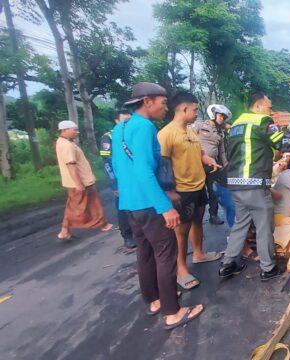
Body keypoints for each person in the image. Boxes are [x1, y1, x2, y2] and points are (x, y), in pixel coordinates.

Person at [112, 82, 203, 330]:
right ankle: (172, 312)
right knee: (166, 255)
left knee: (145, 253)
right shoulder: (144, 127)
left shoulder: (121, 127)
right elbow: (144, 169)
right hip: (149, 204)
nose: (166, 107)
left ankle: (153, 300)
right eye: (163, 103)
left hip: (130, 204)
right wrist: (165, 206)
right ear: (148, 101)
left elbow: (120, 167)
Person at [158, 92, 221, 290]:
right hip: (181, 190)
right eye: (194, 109)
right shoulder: (166, 134)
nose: (196, 113)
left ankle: (199, 253)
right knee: (181, 231)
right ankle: (181, 269)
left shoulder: (190, 131)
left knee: (197, 221)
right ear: (184, 109)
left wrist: (208, 159)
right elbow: (162, 165)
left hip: (198, 185)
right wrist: (169, 191)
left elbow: (199, 152)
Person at [219, 93, 285, 281]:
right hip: (255, 184)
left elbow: (254, 149)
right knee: (264, 226)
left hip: (235, 184)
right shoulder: (263, 120)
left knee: (241, 224)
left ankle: (228, 264)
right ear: (257, 106)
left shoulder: (237, 124)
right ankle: (268, 268)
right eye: (269, 106)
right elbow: (283, 142)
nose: (271, 111)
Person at [55, 120, 115, 240]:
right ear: (65, 130)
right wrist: (78, 183)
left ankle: (64, 230)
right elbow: (71, 165)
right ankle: (104, 224)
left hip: (79, 181)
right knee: (89, 205)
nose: (77, 132)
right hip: (80, 182)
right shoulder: (66, 145)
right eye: (74, 130)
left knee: (75, 205)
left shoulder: (65, 142)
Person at [100, 110, 136, 249]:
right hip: (121, 180)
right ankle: (127, 236)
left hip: (136, 178)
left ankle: (140, 233)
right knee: (123, 208)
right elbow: (107, 162)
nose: (128, 124)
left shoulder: (133, 135)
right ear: (116, 121)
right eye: (124, 121)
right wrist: (114, 185)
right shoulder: (109, 137)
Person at [195, 104, 235, 227]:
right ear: (213, 113)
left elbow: (222, 151)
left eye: (223, 116)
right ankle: (195, 216)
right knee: (197, 190)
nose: (221, 118)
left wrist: (225, 165)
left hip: (214, 166)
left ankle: (213, 215)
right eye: (219, 115)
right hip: (197, 164)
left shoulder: (220, 132)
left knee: (213, 192)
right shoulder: (199, 125)